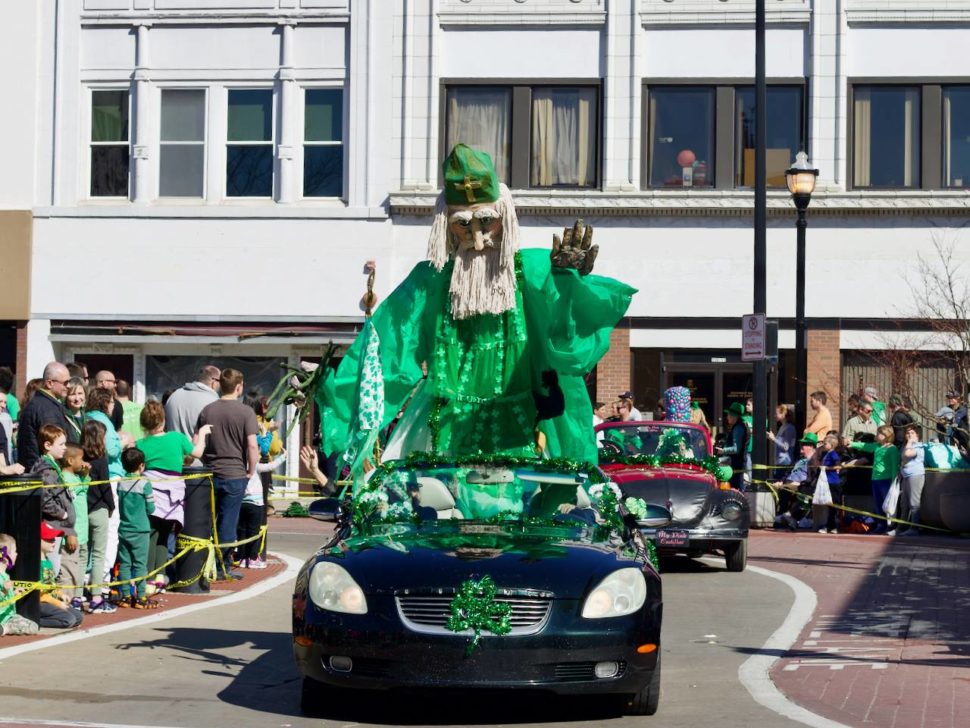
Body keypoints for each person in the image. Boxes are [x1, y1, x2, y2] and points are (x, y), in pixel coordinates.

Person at [312, 144, 634, 473]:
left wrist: (569, 283)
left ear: (504, 217)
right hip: (443, 430)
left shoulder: (531, 271)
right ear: (444, 224)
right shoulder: (432, 282)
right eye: (463, 225)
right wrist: (338, 389)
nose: (478, 238)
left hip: (522, 427)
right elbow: (390, 350)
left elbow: (569, 344)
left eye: (486, 222)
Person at [136, 400, 210, 590]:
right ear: (163, 420)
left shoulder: (140, 444)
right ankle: (159, 576)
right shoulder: (177, 438)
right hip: (173, 495)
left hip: (150, 492)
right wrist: (201, 434)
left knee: (151, 535)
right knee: (163, 535)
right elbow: (198, 452)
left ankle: (148, 577)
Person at [198, 368, 258, 581]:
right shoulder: (246, 412)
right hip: (235, 473)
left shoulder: (207, 410)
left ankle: (202, 563)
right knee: (227, 522)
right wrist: (252, 469)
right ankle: (222, 566)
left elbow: (200, 442)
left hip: (210, 472)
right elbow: (252, 445)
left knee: (206, 520)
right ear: (239, 387)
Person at [29, 424, 75, 577]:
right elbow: (44, 498)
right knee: (51, 568)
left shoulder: (52, 466)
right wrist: (62, 514)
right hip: (51, 525)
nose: (64, 448)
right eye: (61, 444)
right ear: (47, 445)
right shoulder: (46, 469)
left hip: (56, 525)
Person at [81, 419, 116, 613]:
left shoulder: (79, 457)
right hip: (99, 508)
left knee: (82, 553)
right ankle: (96, 597)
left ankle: (77, 596)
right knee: (99, 553)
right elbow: (105, 485)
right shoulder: (101, 459)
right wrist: (111, 505)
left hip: (84, 508)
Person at [116, 447, 156, 609]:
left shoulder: (120, 483)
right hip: (141, 529)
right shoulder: (145, 484)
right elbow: (151, 508)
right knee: (140, 564)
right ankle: (140, 597)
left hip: (124, 528)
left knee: (125, 563)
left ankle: (125, 595)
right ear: (141, 465)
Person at [17, 362, 75, 468]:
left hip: (40, 469)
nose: (69, 386)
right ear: (49, 383)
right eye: (65, 383)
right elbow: (54, 445)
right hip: (46, 473)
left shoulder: (41, 403)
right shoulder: (46, 409)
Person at [238, 450, 285, 569]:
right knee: (254, 531)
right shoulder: (255, 466)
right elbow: (271, 466)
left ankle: (242, 557)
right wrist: (283, 457)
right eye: (257, 453)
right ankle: (253, 558)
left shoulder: (239, 466)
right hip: (256, 503)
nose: (259, 455)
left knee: (242, 530)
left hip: (242, 502)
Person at [850, 424, 899, 534]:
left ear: (886, 435)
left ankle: (890, 526)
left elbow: (894, 466)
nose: (877, 435)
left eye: (879, 433)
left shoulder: (892, 449)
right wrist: (852, 443)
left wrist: (893, 482)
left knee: (888, 504)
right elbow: (865, 446)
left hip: (886, 480)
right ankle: (881, 525)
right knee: (878, 504)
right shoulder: (877, 446)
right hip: (875, 480)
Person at [58, 443, 90, 607]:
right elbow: (66, 506)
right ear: (70, 461)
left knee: (79, 566)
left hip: (82, 532)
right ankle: (66, 602)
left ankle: (76, 597)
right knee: (68, 570)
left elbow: (84, 489)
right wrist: (70, 533)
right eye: (81, 459)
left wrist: (85, 475)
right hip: (73, 534)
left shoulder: (77, 477)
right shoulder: (66, 480)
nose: (83, 461)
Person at [37, 522, 84, 629]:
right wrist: (57, 603)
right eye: (49, 539)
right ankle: (35, 620)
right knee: (69, 620)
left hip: (50, 601)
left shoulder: (48, 562)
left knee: (79, 617)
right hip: (40, 602)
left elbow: (51, 585)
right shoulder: (36, 564)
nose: (53, 542)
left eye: (54, 539)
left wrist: (61, 594)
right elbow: (39, 593)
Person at [771, 433, 820, 530]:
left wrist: (799, 484)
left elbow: (813, 478)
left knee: (793, 490)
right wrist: (782, 481)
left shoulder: (814, 461)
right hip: (790, 483)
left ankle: (789, 517)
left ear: (811, 446)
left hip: (803, 485)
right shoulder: (799, 460)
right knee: (781, 488)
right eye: (801, 444)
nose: (801, 446)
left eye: (804, 444)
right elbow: (789, 472)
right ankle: (785, 516)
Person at [164, 365, 221, 447]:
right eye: (220, 382)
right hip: (200, 457)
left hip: (174, 455)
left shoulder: (174, 396)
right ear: (214, 382)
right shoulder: (214, 402)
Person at [0, 533, 40, 636]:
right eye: (14, 551)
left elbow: (5, 600)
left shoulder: (5, 575)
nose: (16, 554)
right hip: (4, 618)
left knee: (33, 625)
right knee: (32, 627)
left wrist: (13, 593)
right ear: (5, 556)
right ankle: (5, 629)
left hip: (9, 615)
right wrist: (4, 591)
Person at [897, 424, 925, 537]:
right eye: (907, 433)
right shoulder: (906, 446)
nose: (909, 435)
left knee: (914, 503)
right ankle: (901, 527)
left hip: (916, 475)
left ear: (917, 435)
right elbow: (903, 460)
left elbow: (907, 455)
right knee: (904, 504)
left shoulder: (919, 446)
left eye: (912, 433)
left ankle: (914, 528)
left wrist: (910, 442)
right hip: (906, 476)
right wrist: (900, 471)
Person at [716, 402, 749, 490]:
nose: (727, 417)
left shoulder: (738, 428)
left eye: (728, 415)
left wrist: (723, 450)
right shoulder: (738, 426)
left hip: (736, 464)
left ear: (734, 416)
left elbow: (736, 449)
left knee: (736, 488)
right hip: (735, 464)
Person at [815, 433, 843, 534]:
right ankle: (829, 525)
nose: (823, 445)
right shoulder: (825, 454)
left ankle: (832, 526)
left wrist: (828, 468)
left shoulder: (833, 454)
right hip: (826, 482)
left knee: (833, 505)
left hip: (833, 482)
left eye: (825, 443)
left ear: (831, 445)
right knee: (828, 505)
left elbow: (838, 466)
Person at [63, 377, 86, 443]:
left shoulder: (88, 419)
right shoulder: (62, 418)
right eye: (72, 394)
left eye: (80, 393)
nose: (77, 398)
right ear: (66, 396)